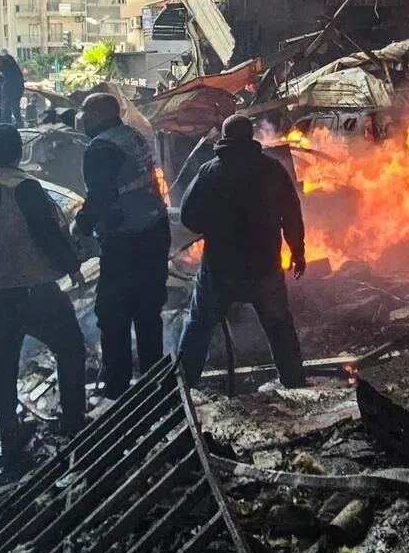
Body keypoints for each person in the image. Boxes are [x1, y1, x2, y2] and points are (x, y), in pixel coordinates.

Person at [0, 125, 87, 454]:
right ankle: (73, 419)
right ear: (18, 152)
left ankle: (8, 428)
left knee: (2, 362)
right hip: (33, 288)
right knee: (70, 349)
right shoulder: (23, 186)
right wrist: (71, 265)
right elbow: (47, 233)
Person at [177, 114, 307, 388]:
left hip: (220, 271)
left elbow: (189, 217)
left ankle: (183, 386)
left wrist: (211, 225)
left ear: (224, 138)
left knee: (199, 325)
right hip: (265, 268)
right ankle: (294, 383)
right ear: (250, 137)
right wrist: (297, 251)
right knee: (280, 328)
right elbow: (292, 214)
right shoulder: (272, 169)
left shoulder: (210, 172)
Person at [73, 93, 170, 399]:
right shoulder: (131, 134)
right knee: (148, 309)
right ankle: (156, 380)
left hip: (126, 239)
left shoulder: (100, 147)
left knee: (113, 311)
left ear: (100, 113)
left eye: (85, 110)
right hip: (154, 229)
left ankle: (117, 385)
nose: (81, 116)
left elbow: (101, 197)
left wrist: (82, 225)